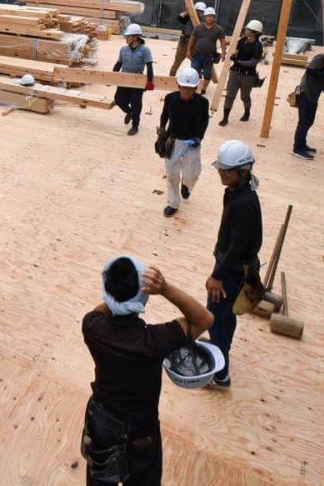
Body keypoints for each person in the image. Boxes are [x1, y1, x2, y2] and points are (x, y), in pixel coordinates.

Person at [81, 257, 212, 485]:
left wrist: (113, 293)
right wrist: (165, 288)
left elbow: (101, 310)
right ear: (143, 297)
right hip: (141, 434)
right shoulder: (155, 341)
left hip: (102, 425)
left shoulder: (92, 326)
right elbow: (204, 318)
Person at [205, 139, 263, 389]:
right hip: (232, 266)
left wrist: (217, 274)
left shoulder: (244, 204)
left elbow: (237, 246)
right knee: (225, 317)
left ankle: (220, 375)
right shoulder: (237, 192)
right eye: (220, 169)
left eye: (225, 171)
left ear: (243, 171)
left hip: (230, 271)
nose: (221, 174)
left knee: (215, 318)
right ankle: (222, 348)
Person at [158, 68, 209, 218]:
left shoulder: (202, 102)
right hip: (174, 140)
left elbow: (205, 120)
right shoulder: (170, 99)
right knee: (172, 174)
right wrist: (162, 131)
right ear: (178, 86)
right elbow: (164, 115)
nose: (187, 91)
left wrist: (199, 137)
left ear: (195, 87)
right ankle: (173, 203)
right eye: (184, 88)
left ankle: (187, 186)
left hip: (192, 142)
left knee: (192, 173)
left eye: (190, 88)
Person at [218, 19, 265, 127]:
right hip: (235, 73)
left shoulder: (258, 46)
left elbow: (253, 63)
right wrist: (233, 55)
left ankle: (247, 112)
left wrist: (238, 61)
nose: (245, 30)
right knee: (229, 95)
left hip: (248, 76)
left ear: (254, 32)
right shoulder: (242, 41)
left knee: (245, 96)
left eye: (247, 29)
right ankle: (225, 118)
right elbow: (236, 50)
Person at [113, 24, 155, 136]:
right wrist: (111, 76)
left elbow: (149, 66)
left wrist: (149, 82)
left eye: (128, 36)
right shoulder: (123, 49)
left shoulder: (145, 50)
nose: (126, 39)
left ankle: (135, 126)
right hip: (124, 79)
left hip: (138, 82)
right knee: (118, 100)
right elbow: (118, 64)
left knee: (136, 104)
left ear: (135, 37)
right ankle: (129, 112)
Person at [187, 7, 227, 86]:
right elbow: (192, 40)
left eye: (211, 16)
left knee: (207, 75)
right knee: (194, 72)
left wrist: (223, 53)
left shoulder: (218, 29)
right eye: (208, 16)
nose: (209, 18)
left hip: (209, 56)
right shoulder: (198, 28)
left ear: (214, 18)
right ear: (204, 17)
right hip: (197, 55)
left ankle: (203, 89)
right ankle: (195, 88)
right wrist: (188, 51)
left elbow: (222, 41)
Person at [168, 1, 207, 76]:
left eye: (202, 11)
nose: (200, 13)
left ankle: (196, 81)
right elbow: (179, 18)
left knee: (196, 65)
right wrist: (187, 11)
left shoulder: (206, 21)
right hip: (184, 43)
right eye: (198, 11)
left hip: (196, 45)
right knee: (176, 63)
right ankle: (171, 78)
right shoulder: (188, 18)